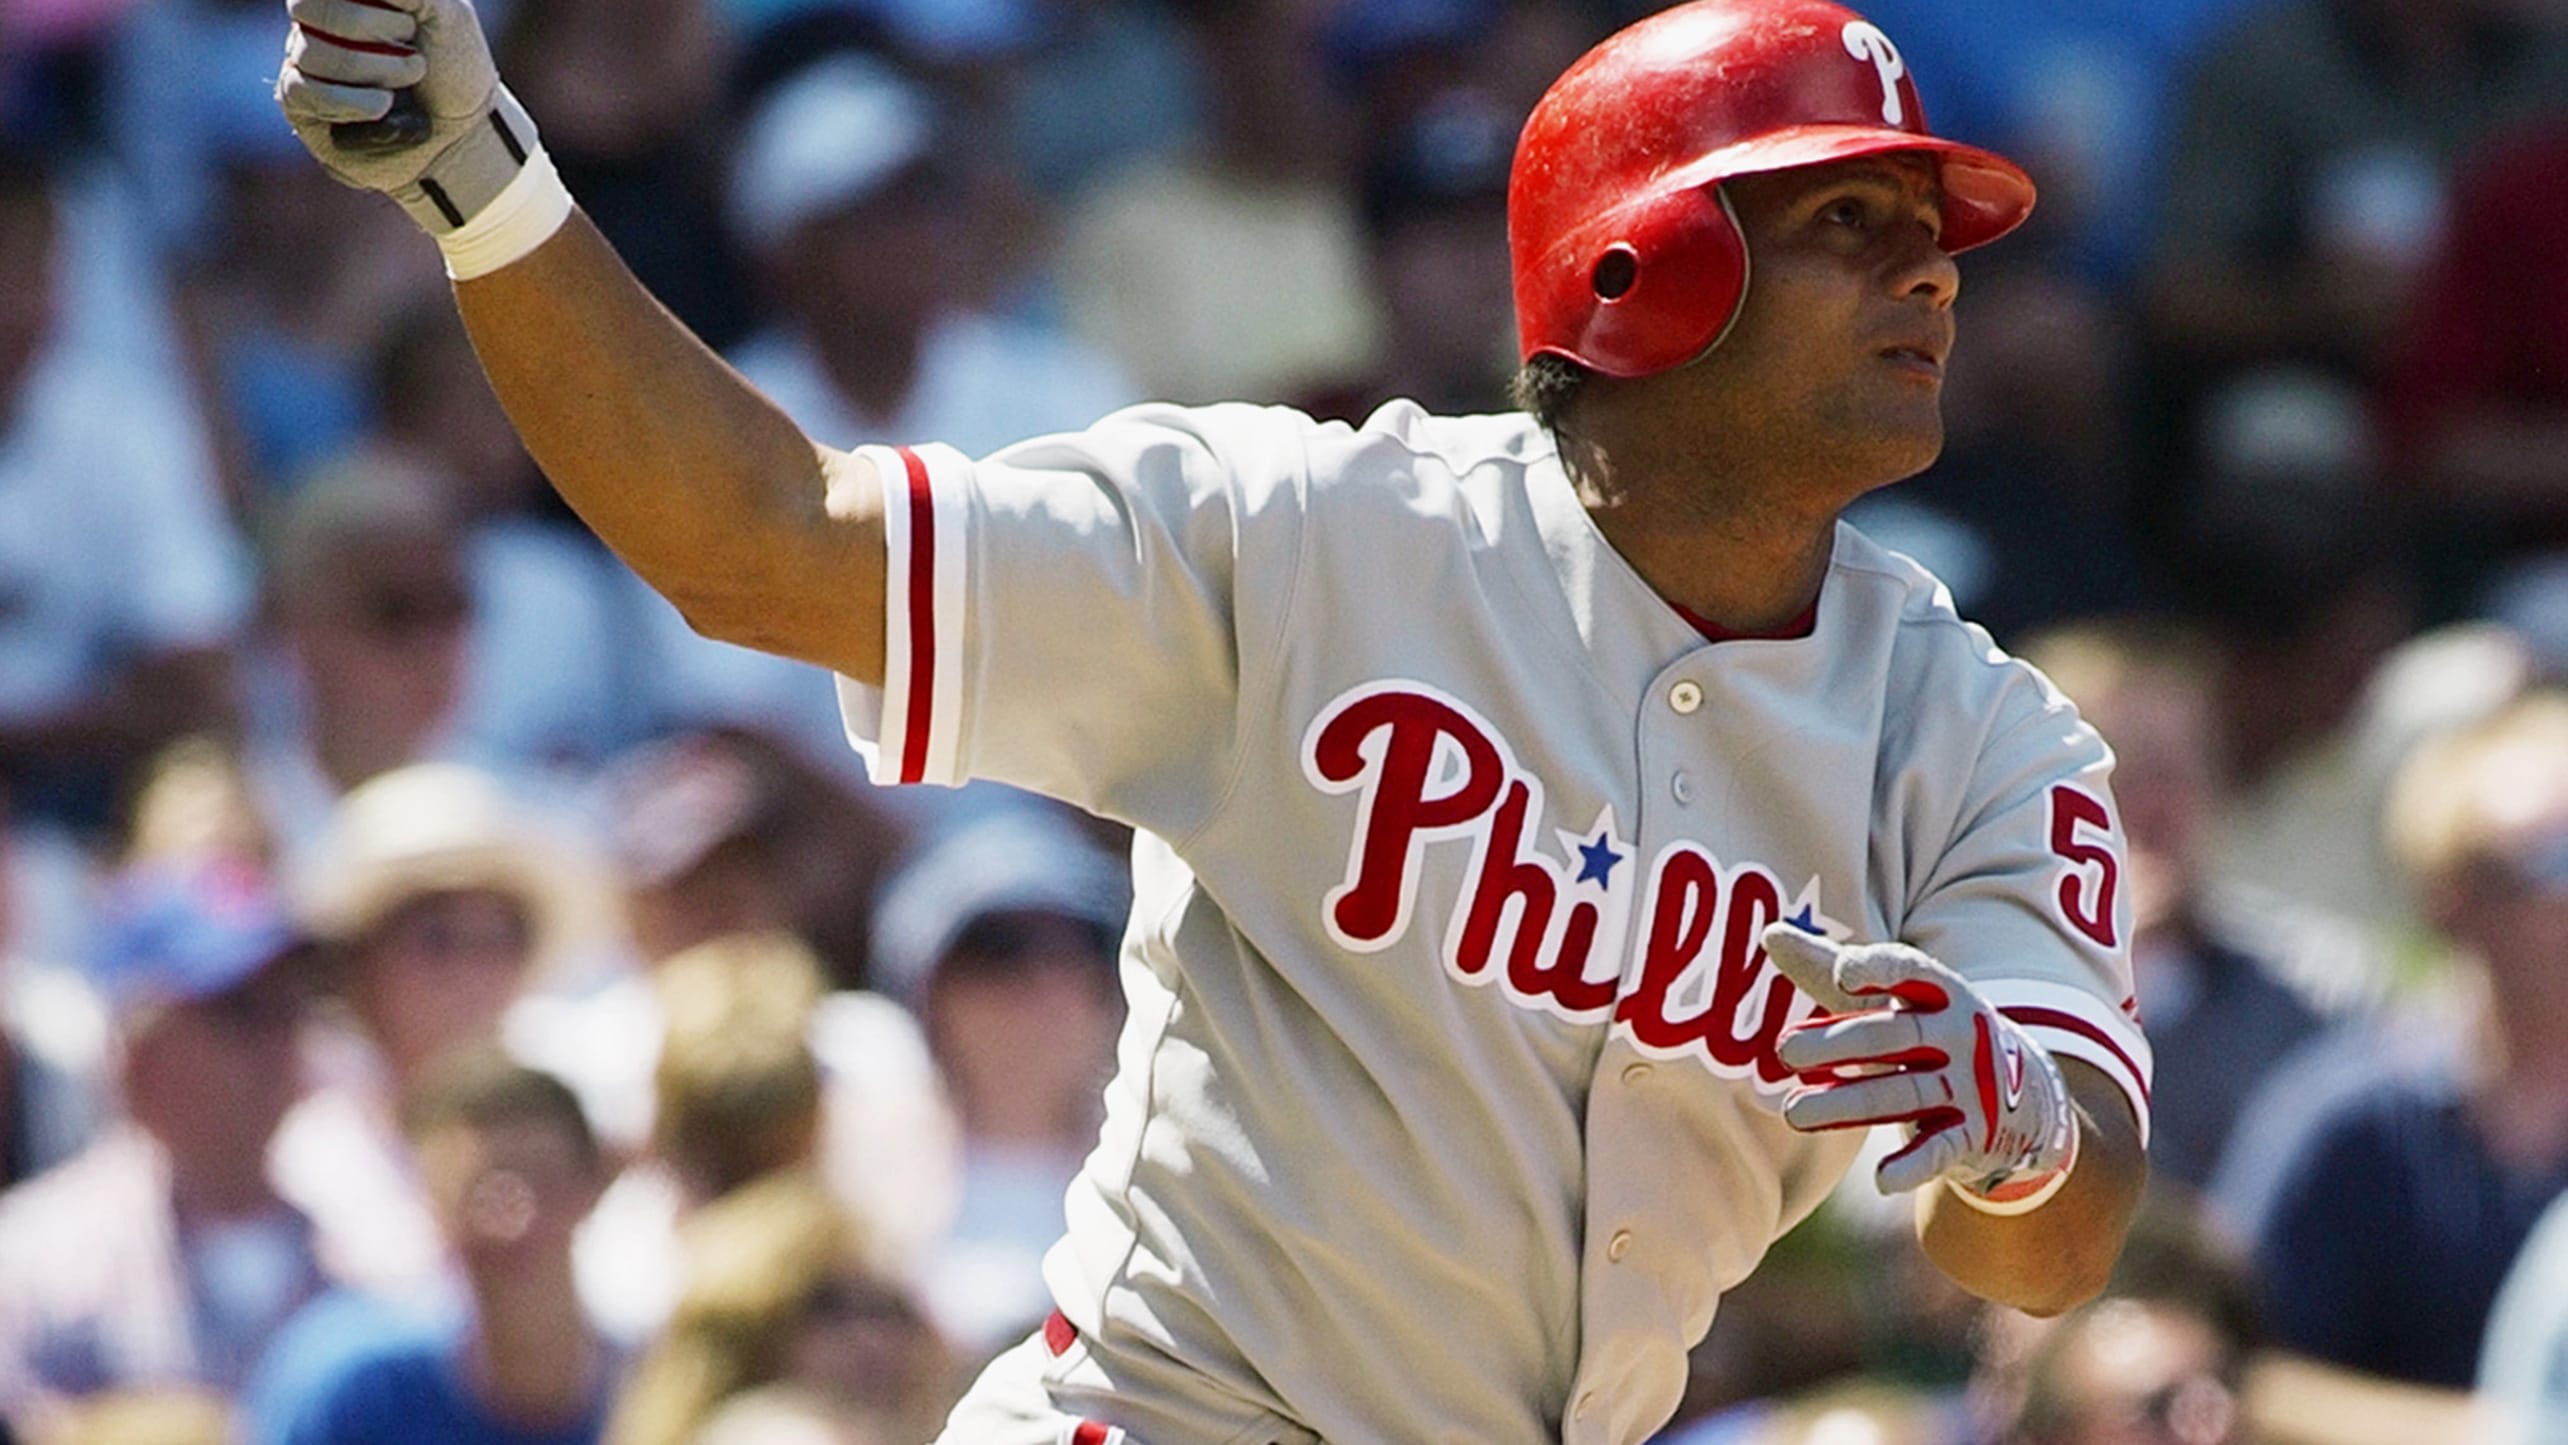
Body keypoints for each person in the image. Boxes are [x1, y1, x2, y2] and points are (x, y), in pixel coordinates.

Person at [272, 1, 2154, 1440]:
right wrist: (484, 180)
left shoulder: (1977, 739)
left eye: (1933, 230)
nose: (1927, 270)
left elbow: (2050, 1242)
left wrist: (2017, 1137)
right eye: (1848, 217)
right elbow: (764, 547)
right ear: (1639, 271)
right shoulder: (1305, 540)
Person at [0, 859, 323, 1429]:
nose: (279, 1039)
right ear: (138, 1052)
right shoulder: (32, 1262)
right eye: (239, 1010)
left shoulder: (385, 1236)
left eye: (291, 1004)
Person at [250, 1051, 618, 1445]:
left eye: (544, 1181)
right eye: (483, 1190)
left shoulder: (656, 1382)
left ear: (594, 1187)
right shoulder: (350, 1389)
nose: (517, 1220)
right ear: (431, 1202)